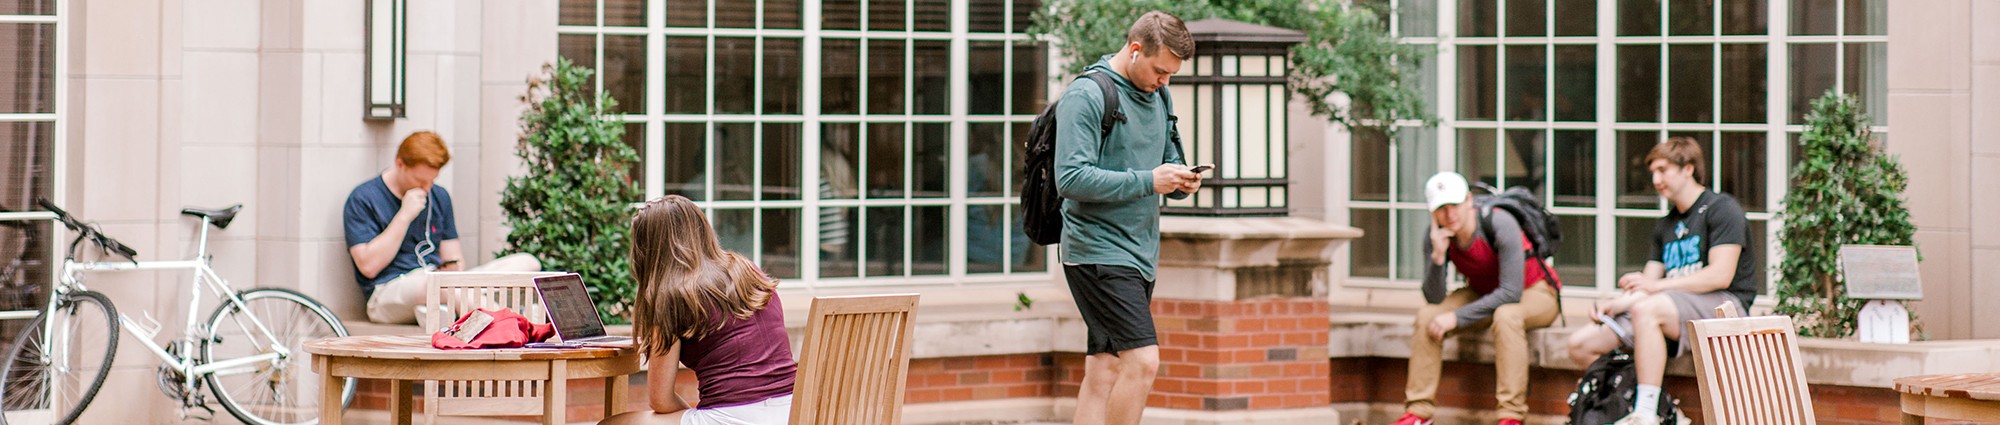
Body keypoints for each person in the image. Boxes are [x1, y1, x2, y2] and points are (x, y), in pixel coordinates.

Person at [1053, 11, 1199, 425]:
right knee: (1143, 361)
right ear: (1135, 50)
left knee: (1104, 369)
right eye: (1159, 71)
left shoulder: (1159, 95)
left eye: (1171, 74)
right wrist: (1149, 180)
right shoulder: (1087, 94)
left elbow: (1167, 158)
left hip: (1140, 251)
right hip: (1097, 251)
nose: (1164, 81)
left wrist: (1180, 178)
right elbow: (1071, 177)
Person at [1563, 137, 1759, 425]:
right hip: (1669, 308)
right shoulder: (1666, 224)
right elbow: (1648, 283)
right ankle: (1665, 408)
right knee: (1581, 343)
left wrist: (1656, 287)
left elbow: (1721, 274)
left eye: (1663, 170)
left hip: (1725, 305)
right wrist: (1615, 304)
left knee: (1648, 308)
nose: (1656, 180)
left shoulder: (1721, 208)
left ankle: (1645, 413)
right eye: (1653, 172)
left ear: (1688, 168)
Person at [600, 195, 795, 425]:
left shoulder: (669, 296)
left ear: (648, 251)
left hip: (733, 417)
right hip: (793, 410)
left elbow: (660, 400)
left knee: (611, 424)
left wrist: (691, 417)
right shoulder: (748, 271)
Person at [1386, 172, 1562, 425]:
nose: (1449, 215)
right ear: (1432, 212)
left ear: (1469, 200)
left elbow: (1511, 292)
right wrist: (1437, 257)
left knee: (1506, 316)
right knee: (1427, 317)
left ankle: (1511, 416)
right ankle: (1418, 414)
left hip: (1536, 291)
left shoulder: (1500, 222)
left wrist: (1457, 317)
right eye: (1441, 209)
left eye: (1454, 205)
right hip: (1485, 292)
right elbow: (1433, 299)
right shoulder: (1437, 235)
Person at [343, 131, 540, 324]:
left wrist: (454, 266)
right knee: (445, 286)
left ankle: (459, 310)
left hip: (437, 278)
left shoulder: (439, 196)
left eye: (432, 180)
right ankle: (510, 328)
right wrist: (404, 215)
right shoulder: (363, 198)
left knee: (527, 263)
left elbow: (454, 258)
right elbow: (368, 267)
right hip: (388, 291)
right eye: (420, 181)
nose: (427, 188)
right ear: (400, 164)